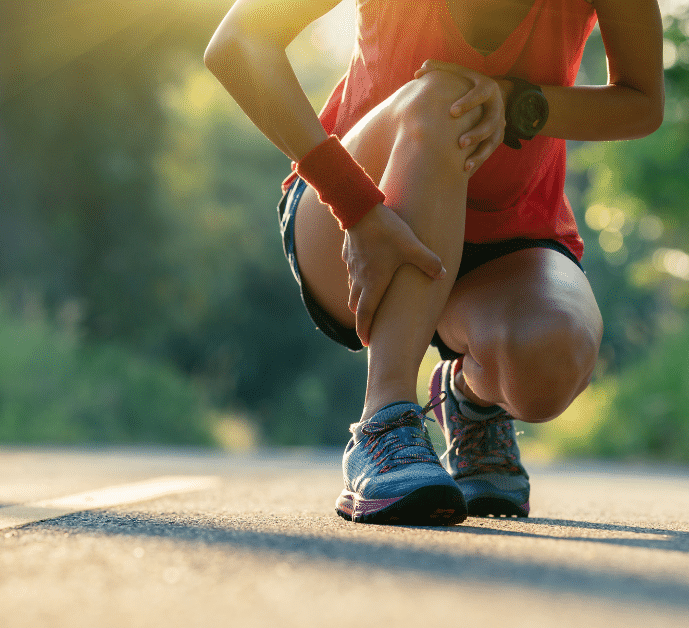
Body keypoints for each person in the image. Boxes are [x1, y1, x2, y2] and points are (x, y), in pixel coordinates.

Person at [206, 0, 663, 525]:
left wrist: (519, 103)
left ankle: (470, 401)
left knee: (550, 358)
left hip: (509, 233)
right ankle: (384, 421)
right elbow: (237, 43)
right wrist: (354, 204)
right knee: (447, 95)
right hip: (356, 211)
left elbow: (642, 102)